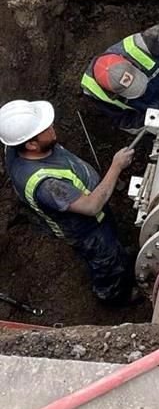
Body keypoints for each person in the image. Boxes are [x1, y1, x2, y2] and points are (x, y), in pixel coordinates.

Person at [0, 99, 137, 304]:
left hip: (92, 214)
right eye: (45, 129)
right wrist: (116, 167)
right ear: (31, 144)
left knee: (112, 246)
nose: (52, 128)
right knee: (105, 261)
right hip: (87, 230)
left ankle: (118, 255)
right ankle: (114, 295)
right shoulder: (47, 184)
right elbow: (92, 207)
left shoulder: (17, 147)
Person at [81, 20, 159, 131]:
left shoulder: (139, 45)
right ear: (113, 93)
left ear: (130, 62)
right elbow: (122, 120)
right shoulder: (95, 93)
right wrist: (152, 121)